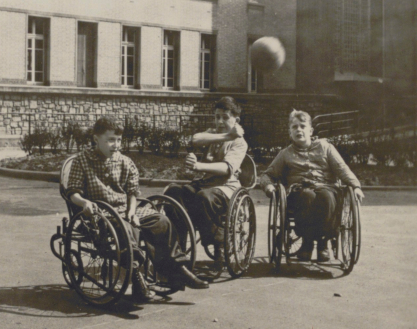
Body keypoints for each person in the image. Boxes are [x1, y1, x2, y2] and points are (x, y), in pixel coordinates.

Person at [66, 116, 209, 303]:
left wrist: (132, 211)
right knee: (126, 228)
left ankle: (177, 269)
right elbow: (72, 192)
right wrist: (84, 202)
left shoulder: (124, 162)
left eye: (118, 140)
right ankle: (136, 275)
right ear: (95, 139)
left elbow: (132, 191)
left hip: (125, 209)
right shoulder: (82, 161)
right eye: (110, 140)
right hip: (98, 215)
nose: (116, 145)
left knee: (161, 221)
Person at [261, 110, 365, 262]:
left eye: (302, 126)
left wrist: (355, 186)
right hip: (299, 190)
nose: (299, 130)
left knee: (327, 197)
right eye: (294, 127)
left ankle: (323, 242)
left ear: (310, 130)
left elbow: (342, 169)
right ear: (290, 133)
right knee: (307, 196)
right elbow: (267, 175)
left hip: (326, 187)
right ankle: (307, 242)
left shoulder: (325, 147)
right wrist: (268, 186)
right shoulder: (285, 154)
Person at [164, 96, 248, 270]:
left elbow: (227, 169)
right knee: (172, 193)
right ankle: (178, 249)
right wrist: (225, 135)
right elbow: (195, 139)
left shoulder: (240, 142)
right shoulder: (214, 134)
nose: (219, 121)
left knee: (204, 197)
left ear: (236, 120)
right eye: (217, 117)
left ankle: (219, 245)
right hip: (204, 184)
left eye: (225, 117)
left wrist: (198, 165)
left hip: (226, 187)